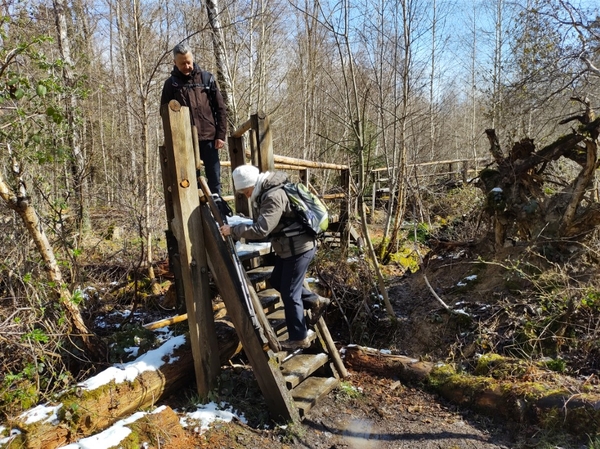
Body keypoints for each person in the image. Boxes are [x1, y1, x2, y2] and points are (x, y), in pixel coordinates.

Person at [220, 165, 330, 351]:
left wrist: (234, 230)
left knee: (289, 293)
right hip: (290, 249)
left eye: (246, 191)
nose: (246, 196)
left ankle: (299, 337)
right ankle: (315, 300)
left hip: (298, 249)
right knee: (277, 281)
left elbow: (262, 229)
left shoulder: (272, 197)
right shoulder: (268, 192)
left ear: (252, 185)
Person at [161, 42, 227, 195]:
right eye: (182, 63)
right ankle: (198, 216)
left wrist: (220, 135)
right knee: (191, 181)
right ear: (175, 63)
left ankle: (218, 214)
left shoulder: (206, 78)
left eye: (189, 62)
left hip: (210, 138)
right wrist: (173, 141)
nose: (187, 66)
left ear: (193, 59)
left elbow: (220, 108)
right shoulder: (171, 85)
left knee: (215, 181)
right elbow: (164, 114)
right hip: (185, 141)